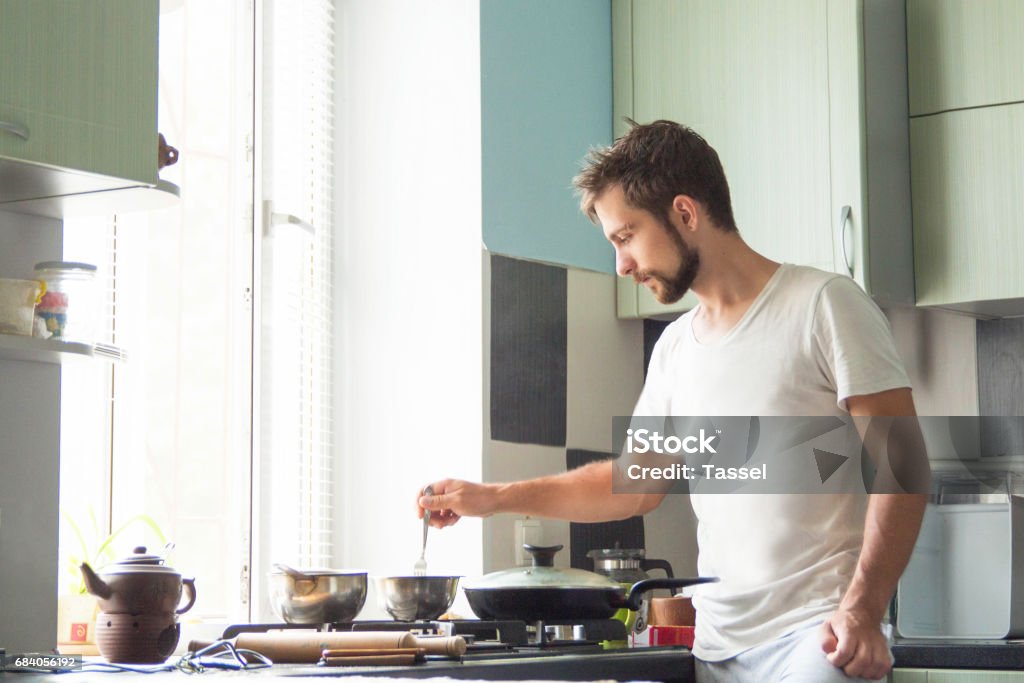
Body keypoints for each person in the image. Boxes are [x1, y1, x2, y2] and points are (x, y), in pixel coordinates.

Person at [417, 120, 927, 683]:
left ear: (685, 213)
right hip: (713, 649)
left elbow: (903, 466)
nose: (622, 265)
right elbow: (634, 485)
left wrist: (862, 609)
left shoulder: (824, 305)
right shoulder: (677, 349)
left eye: (626, 236)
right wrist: (492, 497)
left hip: (816, 640)